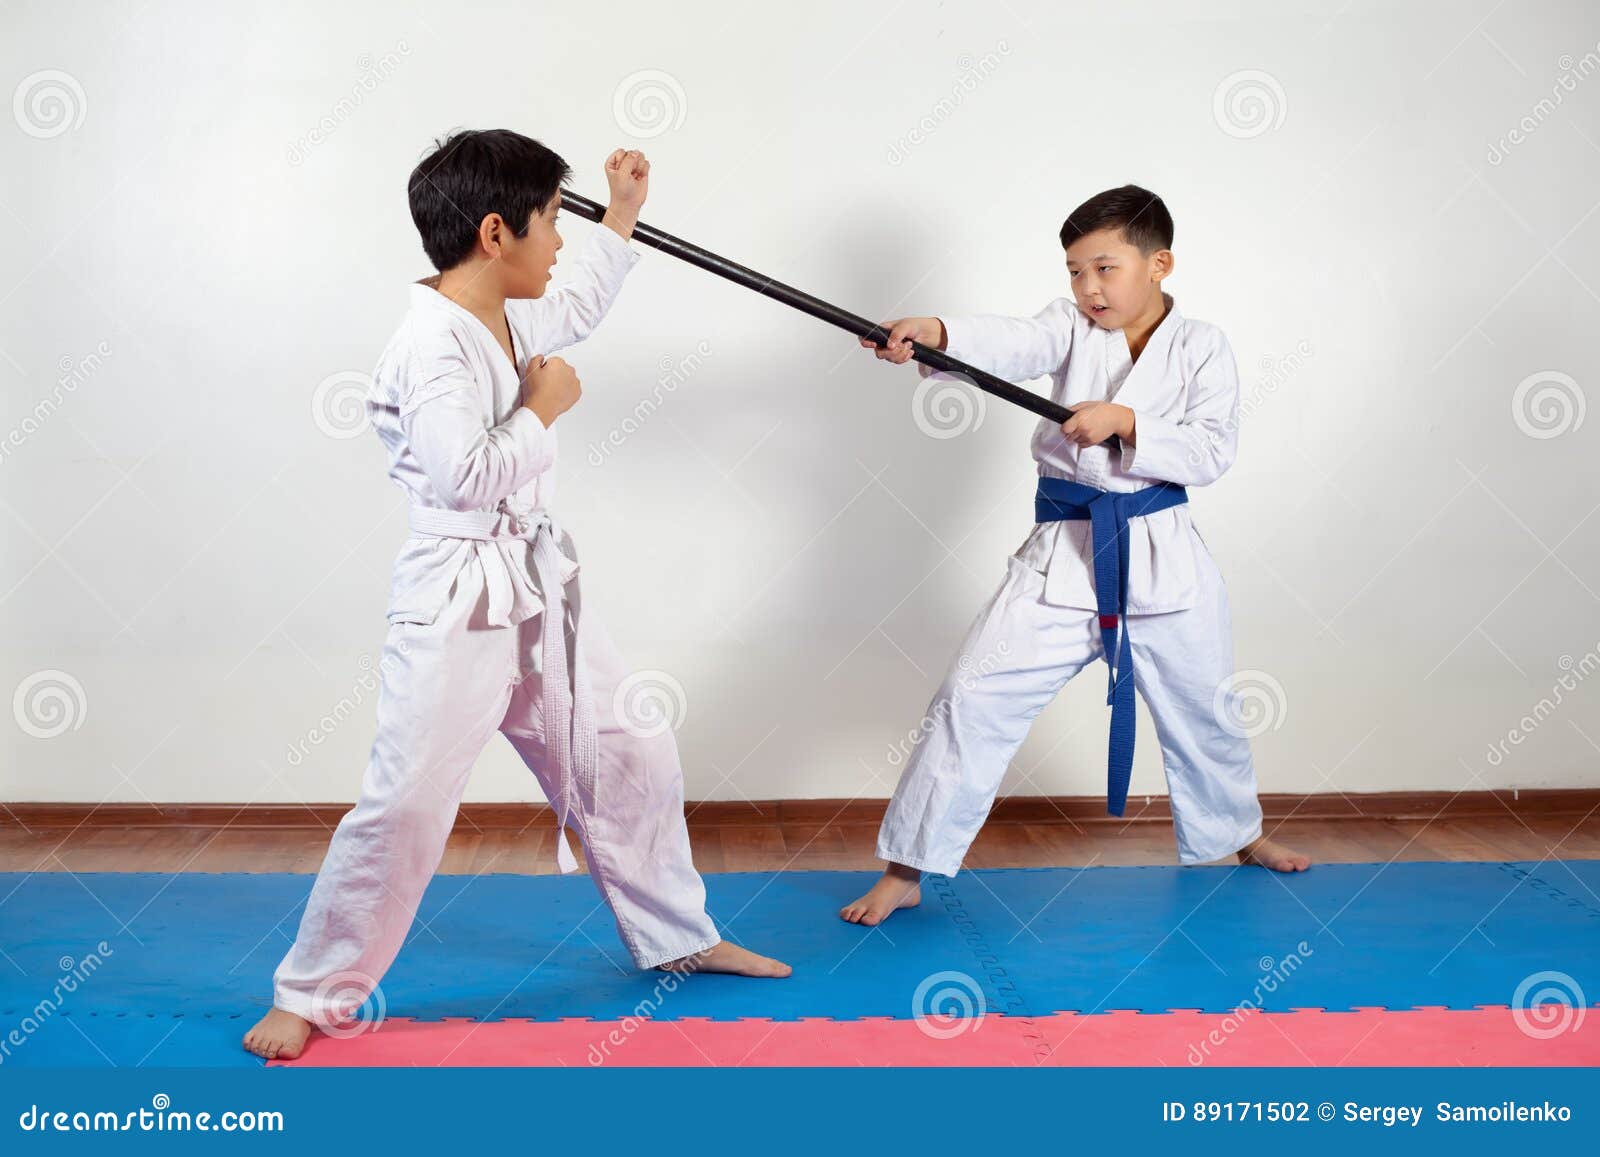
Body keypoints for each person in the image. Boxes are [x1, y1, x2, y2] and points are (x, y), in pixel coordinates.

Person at [245, 130, 789, 1062]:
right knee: (409, 802)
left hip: (535, 583)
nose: (559, 242)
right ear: (497, 233)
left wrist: (619, 218)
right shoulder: (431, 347)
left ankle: (677, 935)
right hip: (457, 596)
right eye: (550, 224)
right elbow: (462, 477)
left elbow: (571, 302)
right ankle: (309, 990)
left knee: (630, 748)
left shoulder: (500, 309)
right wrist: (543, 410)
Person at [842, 184, 1311, 927]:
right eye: (1073, 271)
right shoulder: (1065, 327)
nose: (1087, 288)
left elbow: (1213, 449)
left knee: (1204, 707)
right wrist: (935, 330)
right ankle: (909, 866)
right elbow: (1012, 343)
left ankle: (1238, 834)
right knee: (971, 697)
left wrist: (1128, 419)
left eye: (1104, 268)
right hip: (1064, 548)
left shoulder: (1202, 346)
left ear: (1160, 264)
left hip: (1163, 553)